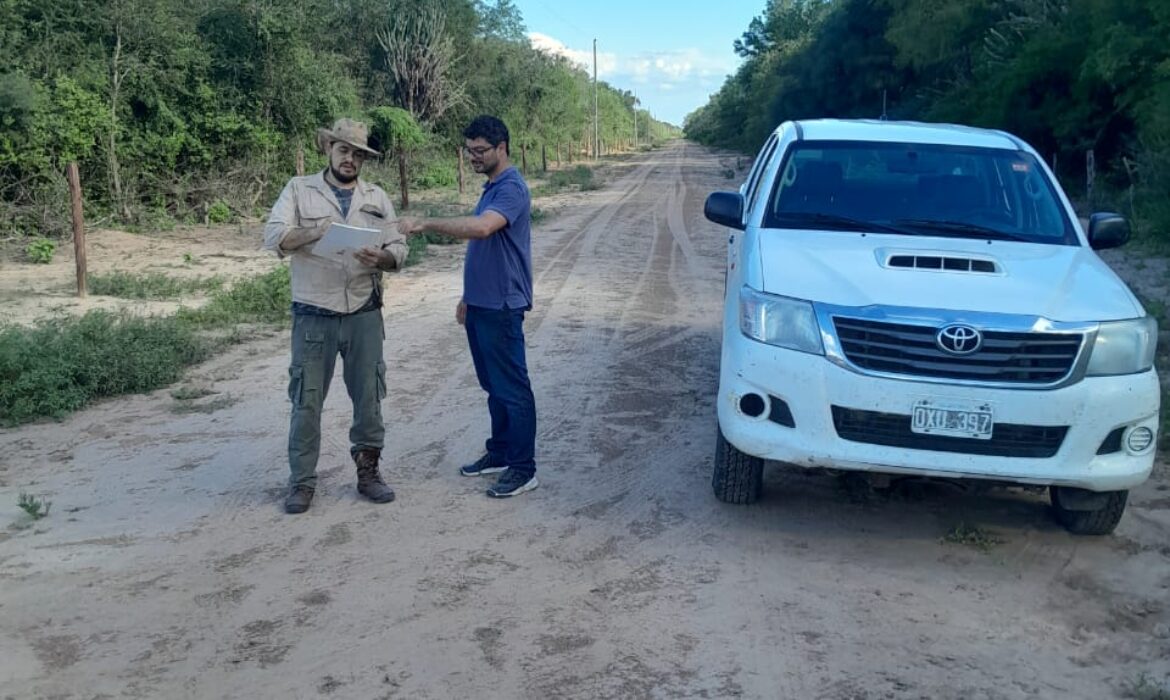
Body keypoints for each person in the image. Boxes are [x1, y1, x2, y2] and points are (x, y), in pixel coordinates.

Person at [263, 118, 407, 514]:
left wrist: (386, 258)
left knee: (369, 397)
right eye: (344, 150)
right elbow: (274, 238)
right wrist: (317, 232)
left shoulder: (376, 196)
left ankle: (369, 473)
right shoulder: (298, 190)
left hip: (364, 309)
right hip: (314, 312)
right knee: (306, 400)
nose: (350, 159)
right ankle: (302, 482)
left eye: (358, 154)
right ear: (327, 149)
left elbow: (399, 245)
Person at [396, 115, 538, 498]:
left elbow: (481, 229)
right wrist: (467, 297)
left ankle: (524, 468)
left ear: (502, 148)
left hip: (503, 305)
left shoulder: (511, 188)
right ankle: (501, 454)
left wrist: (426, 224)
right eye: (469, 150)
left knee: (512, 388)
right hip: (481, 304)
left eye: (480, 151)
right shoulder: (491, 186)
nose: (473, 157)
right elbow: (487, 252)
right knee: (494, 386)